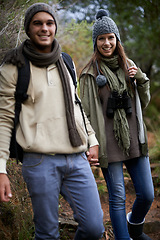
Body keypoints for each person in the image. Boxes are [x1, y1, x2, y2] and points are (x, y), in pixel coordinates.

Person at [0, 3, 105, 239]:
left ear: (55, 27)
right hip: (39, 161)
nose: (44, 28)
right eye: (38, 23)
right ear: (28, 28)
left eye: (49, 23)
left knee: (94, 228)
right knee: (47, 233)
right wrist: (1, 170)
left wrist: (92, 138)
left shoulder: (65, 61)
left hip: (77, 158)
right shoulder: (12, 66)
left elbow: (76, 104)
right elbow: (4, 120)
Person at [79, 9, 154, 240]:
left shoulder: (129, 66)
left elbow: (144, 102)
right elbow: (86, 114)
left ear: (117, 39)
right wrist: (91, 144)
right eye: (101, 38)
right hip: (108, 145)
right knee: (118, 197)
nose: (106, 42)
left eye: (111, 37)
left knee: (147, 194)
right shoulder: (90, 74)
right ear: (96, 42)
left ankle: (134, 225)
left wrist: (140, 79)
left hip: (133, 139)